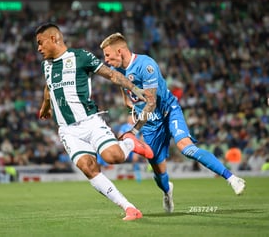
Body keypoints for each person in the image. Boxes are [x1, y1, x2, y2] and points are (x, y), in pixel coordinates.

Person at [100, 32, 246, 213]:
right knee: (159, 172)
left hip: (168, 112)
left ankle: (232, 178)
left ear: (120, 51)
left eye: (107, 55)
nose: (106, 60)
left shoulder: (146, 66)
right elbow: (122, 84)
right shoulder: (118, 70)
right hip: (151, 125)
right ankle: (167, 192)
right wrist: (126, 99)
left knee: (187, 148)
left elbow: (152, 103)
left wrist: (134, 130)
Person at [35, 23, 154, 221]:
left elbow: (112, 74)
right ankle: (129, 208)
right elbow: (49, 87)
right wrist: (45, 106)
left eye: (40, 43)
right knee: (88, 168)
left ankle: (130, 143)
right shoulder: (46, 65)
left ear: (54, 39)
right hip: (67, 130)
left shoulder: (80, 57)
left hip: (90, 122)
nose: (38, 48)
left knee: (113, 157)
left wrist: (135, 89)